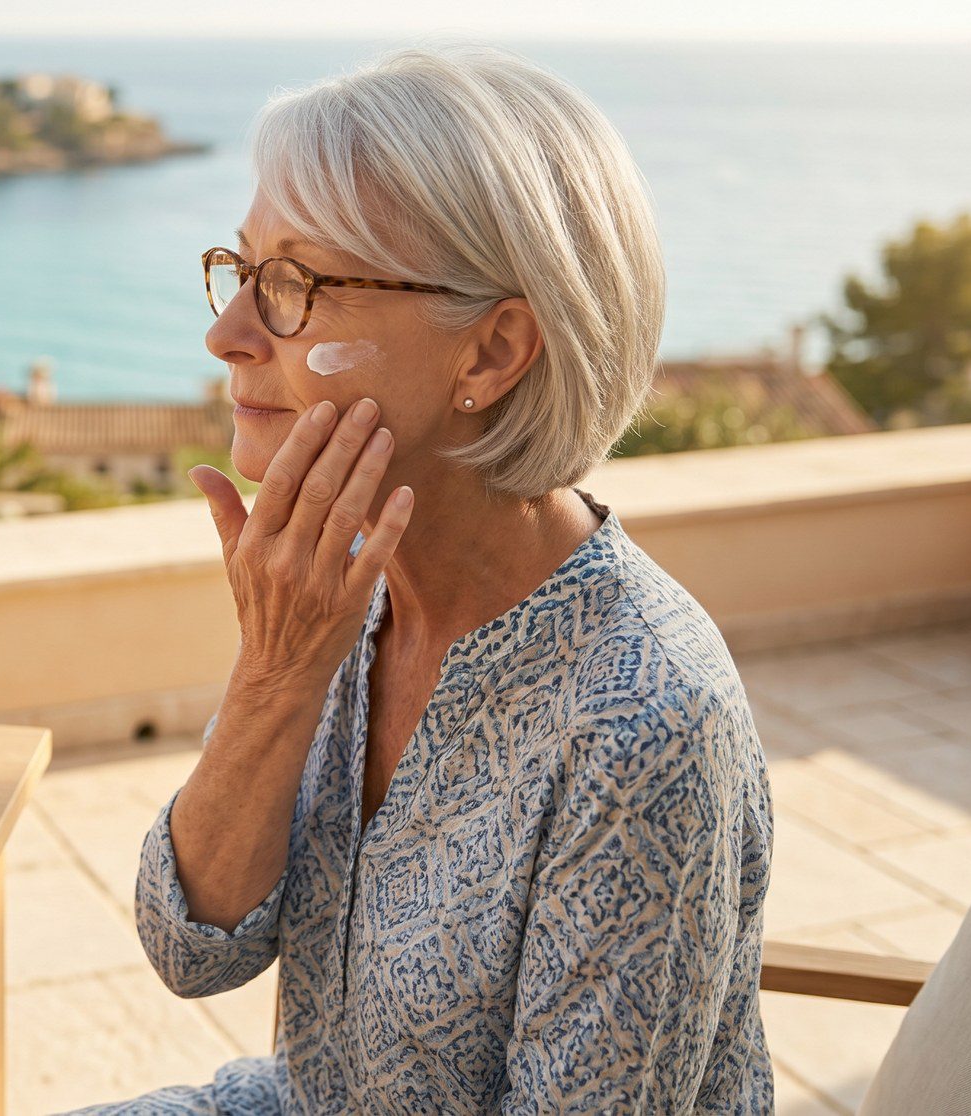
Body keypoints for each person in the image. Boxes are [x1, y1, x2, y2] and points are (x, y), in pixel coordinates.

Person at [60, 40, 774, 1114]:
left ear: (489, 355)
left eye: (295, 285)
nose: (225, 333)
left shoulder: (642, 722)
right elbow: (188, 945)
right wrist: (272, 674)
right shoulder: (340, 595)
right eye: (242, 270)